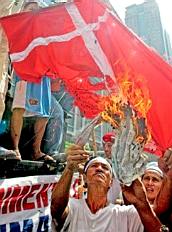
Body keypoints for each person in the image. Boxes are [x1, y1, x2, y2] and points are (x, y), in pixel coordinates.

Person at [51, 144, 162, 232]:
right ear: (84, 178)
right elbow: (56, 209)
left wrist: (141, 203)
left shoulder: (126, 214)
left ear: (111, 182)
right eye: (94, 166)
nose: (99, 169)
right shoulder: (73, 207)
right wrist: (69, 169)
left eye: (105, 168)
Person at [10, 0, 55, 162]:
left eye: (37, 9)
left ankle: (36, 150)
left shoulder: (44, 30)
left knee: (44, 112)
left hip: (42, 73)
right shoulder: (17, 26)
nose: (34, 11)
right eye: (30, 8)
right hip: (24, 70)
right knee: (19, 107)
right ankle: (14, 148)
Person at [102, 132, 121, 204]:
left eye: (109, 145)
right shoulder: (102, 163)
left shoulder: (124, 166)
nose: (105, 149)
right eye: (104, 145)